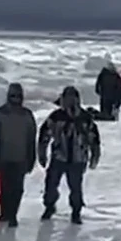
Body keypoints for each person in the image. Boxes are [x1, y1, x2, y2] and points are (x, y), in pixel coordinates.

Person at [37, 86, 101, 224]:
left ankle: (76, 211)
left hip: (78, 159)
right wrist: (42, 154)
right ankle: (49, 206)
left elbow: (94, 139)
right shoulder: (56, 117)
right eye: (68, 98)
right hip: (59, 156)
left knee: (76, 187)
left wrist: (94, 157)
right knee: (51, 184)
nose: (70, 101)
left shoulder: (85, 118)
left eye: (73, 98)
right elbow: (44, 135)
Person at [0, 83, 37, 227]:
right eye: (13, 95)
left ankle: (13, 214)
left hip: (21, 158)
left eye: (18, 96)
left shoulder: (27, 115)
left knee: (17, 189)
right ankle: (5, 212)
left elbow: (31, 139)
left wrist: (31, 158)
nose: (16, 99)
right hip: (3, 158)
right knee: (4, 189)